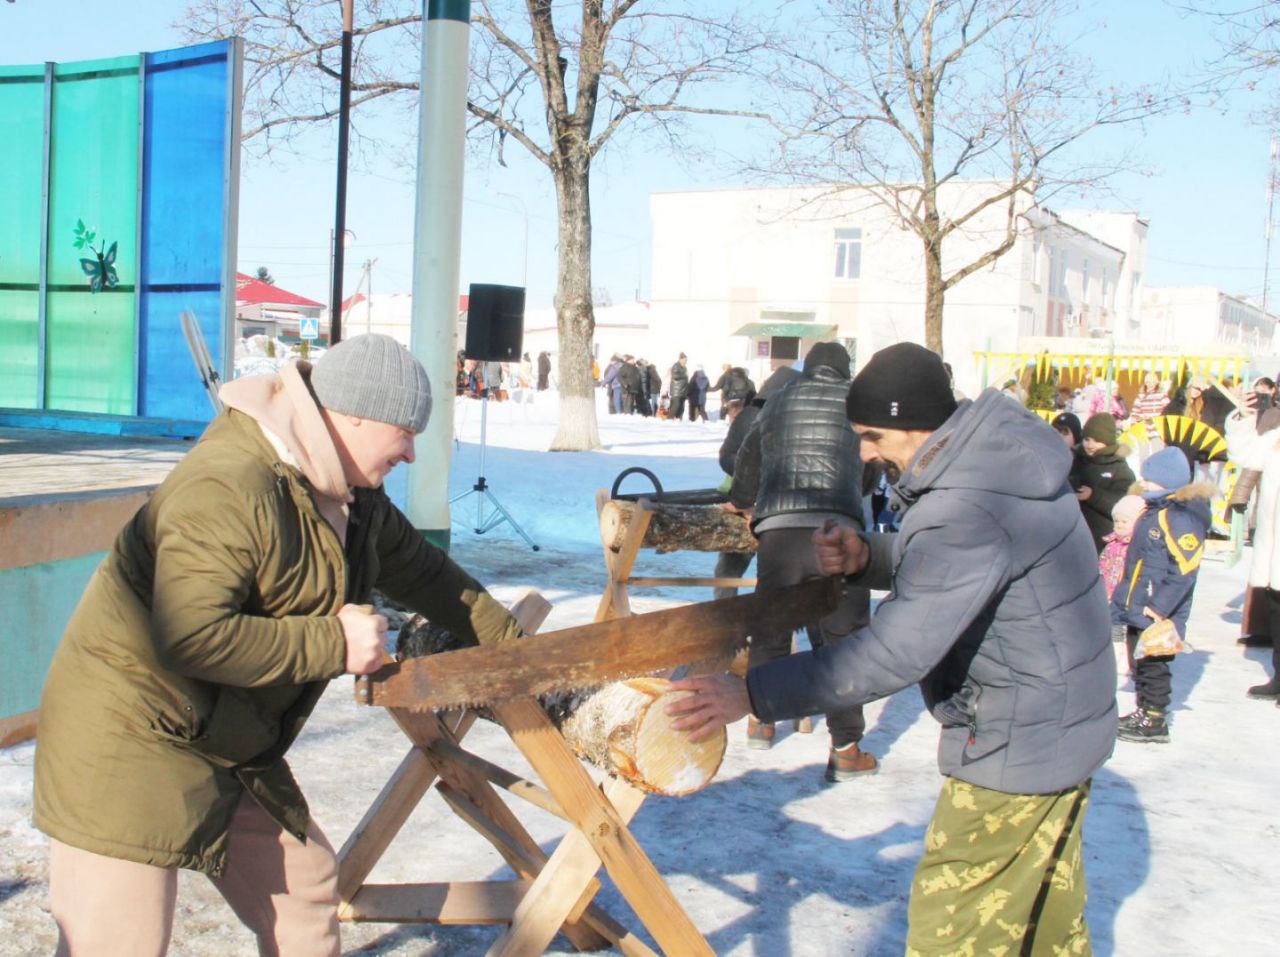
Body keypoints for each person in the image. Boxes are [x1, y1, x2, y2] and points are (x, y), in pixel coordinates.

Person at [32, 334, 524, 955]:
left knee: (307, 887)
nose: (411, 452)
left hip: (226, 736)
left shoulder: (351, 497)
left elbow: (431, 579)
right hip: (126, 743)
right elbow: (190, 636)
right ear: (351, 417)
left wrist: (524, 654)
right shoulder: (229, 485)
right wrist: (333, 642)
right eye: (404, 432)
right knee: (119, 941)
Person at [669, 342, 1115, 956]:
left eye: (874, 435)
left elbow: (892, 653)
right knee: (1044, 928)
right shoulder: (995, 463)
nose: (864, 453)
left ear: (919, 423)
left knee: (951, 932)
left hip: (1021, 739)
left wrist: (751, 691)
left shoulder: (967, 504)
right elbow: (969, 562)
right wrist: (869, 557)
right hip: (1060, 719)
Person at [728, 342, 877, 777]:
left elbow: (748, 461)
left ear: (806, 369)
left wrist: (743, 501)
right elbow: (868, 468)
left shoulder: (778, 400)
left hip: (781, 530)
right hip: (839, 531)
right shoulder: (857, 403)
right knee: (843, 642)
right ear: (845, 370)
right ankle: (846, 747)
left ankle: (761, 720)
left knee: (771, 628)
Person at [1110, 447, 1212, 743]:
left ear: (1167, 481)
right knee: (1139, 661)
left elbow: (1185, 567)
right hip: (1139, 603)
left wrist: (1159, 606)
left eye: (1150, 480)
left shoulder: (1179, 515)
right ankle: (1143, 709)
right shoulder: (1155, 510)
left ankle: (1154, 718)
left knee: (1154, 664)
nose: (1144, 485)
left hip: (1157, 611)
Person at [1227, 392, 1280, 699]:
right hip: (1272, 545)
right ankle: (1278, 676)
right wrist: (1244, 419)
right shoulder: (1274, 439)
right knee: (1276, 606)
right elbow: (1245, 456)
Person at [1071, 413, 1136, 553]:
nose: (1090, 445)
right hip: (1075, 532)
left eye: (1097, 441)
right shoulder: (1076, 459)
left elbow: (1124, 505)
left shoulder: (1119, 469)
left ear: (1108, 441)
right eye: (1087, 439)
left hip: (1102, 537)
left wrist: (1093, 496)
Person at [1099, 495, 1145, 601]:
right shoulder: (1111, 543)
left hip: (1124, 595)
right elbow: (1102, 566)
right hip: (1105, 591)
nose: (1119, 525)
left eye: (1124, 521)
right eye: (1116, 521)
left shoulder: (1137, 546)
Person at [668, 352, 690, 420]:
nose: (686, 361)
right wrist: (684, 376)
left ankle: (679, 420)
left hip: (683, 391)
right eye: (685, 360)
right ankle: (669, 419)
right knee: (675, 406)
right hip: (676, 391)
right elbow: (675, 376)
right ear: (681, 359)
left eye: (686, 360)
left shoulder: (684, 367)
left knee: (681, 408)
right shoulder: (676, 366)